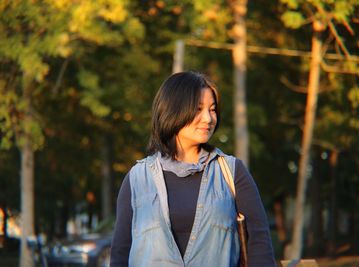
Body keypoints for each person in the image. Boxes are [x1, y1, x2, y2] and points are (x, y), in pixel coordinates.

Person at [110, 71, 276, 267]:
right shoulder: (137, 179)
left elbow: (259, 243)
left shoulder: (232, 172)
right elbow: (121, 253)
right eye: (198, 109)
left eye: (212, 109)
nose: (208, 118)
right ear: (173, 110)